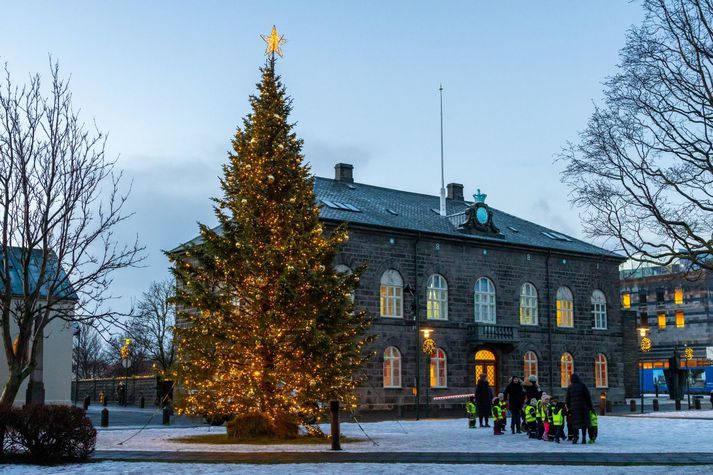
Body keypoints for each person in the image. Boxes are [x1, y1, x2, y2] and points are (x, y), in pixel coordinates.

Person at [565, 373, 594, 445]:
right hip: (583, 408)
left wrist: (568, 408)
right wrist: (590, 407)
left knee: (575, 424)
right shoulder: (582, 385)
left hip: (574, 408)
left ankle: (575, 438)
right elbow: (587, 397)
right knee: (583, 424)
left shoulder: (570, 387)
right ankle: (583, 438)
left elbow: (567, 399)